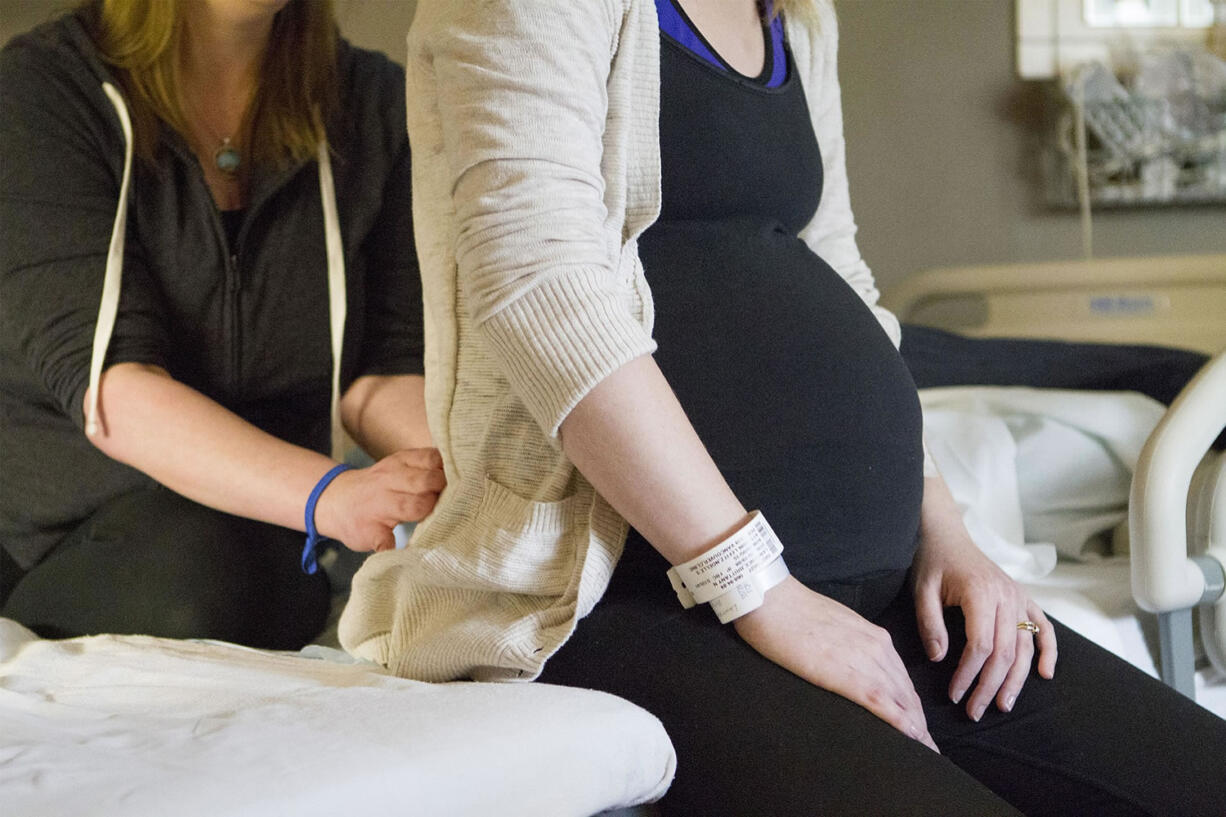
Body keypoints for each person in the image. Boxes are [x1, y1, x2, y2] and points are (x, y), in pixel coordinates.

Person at [339, 0, 1226, 814]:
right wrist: (758, 589)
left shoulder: (795, 11)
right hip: (634, 597)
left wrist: (947, 530)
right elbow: (540, 286)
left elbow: (836, 264)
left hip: (880, 589)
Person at [0, 0, 442, 650]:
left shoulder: (371, 103)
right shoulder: (40, 92)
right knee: (213, 574)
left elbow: (379, 372)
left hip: (275, 538)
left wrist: (479, 482)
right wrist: (332, 493)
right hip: (66, 544)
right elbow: (115, 391)